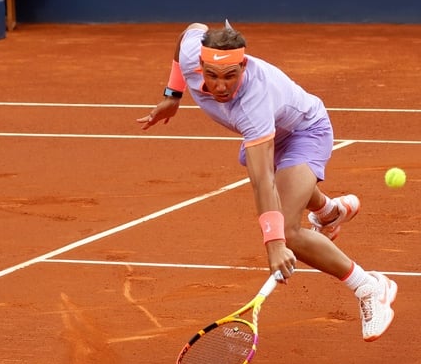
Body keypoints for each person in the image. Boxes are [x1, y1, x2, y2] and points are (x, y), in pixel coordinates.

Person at [137, 21, 398, 342]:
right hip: (275, 134)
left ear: (243, 66)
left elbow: (262, 181)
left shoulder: (253, 103)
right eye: (213, 75)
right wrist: (172, 95)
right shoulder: (194, 52)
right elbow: (187, 34)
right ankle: (330, 212)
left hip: (305, 132)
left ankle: (370, 286)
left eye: (231, 76)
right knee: (290, 195)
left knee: (287, 231)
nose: (221, 87)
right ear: (200, 65)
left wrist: (275, 244)